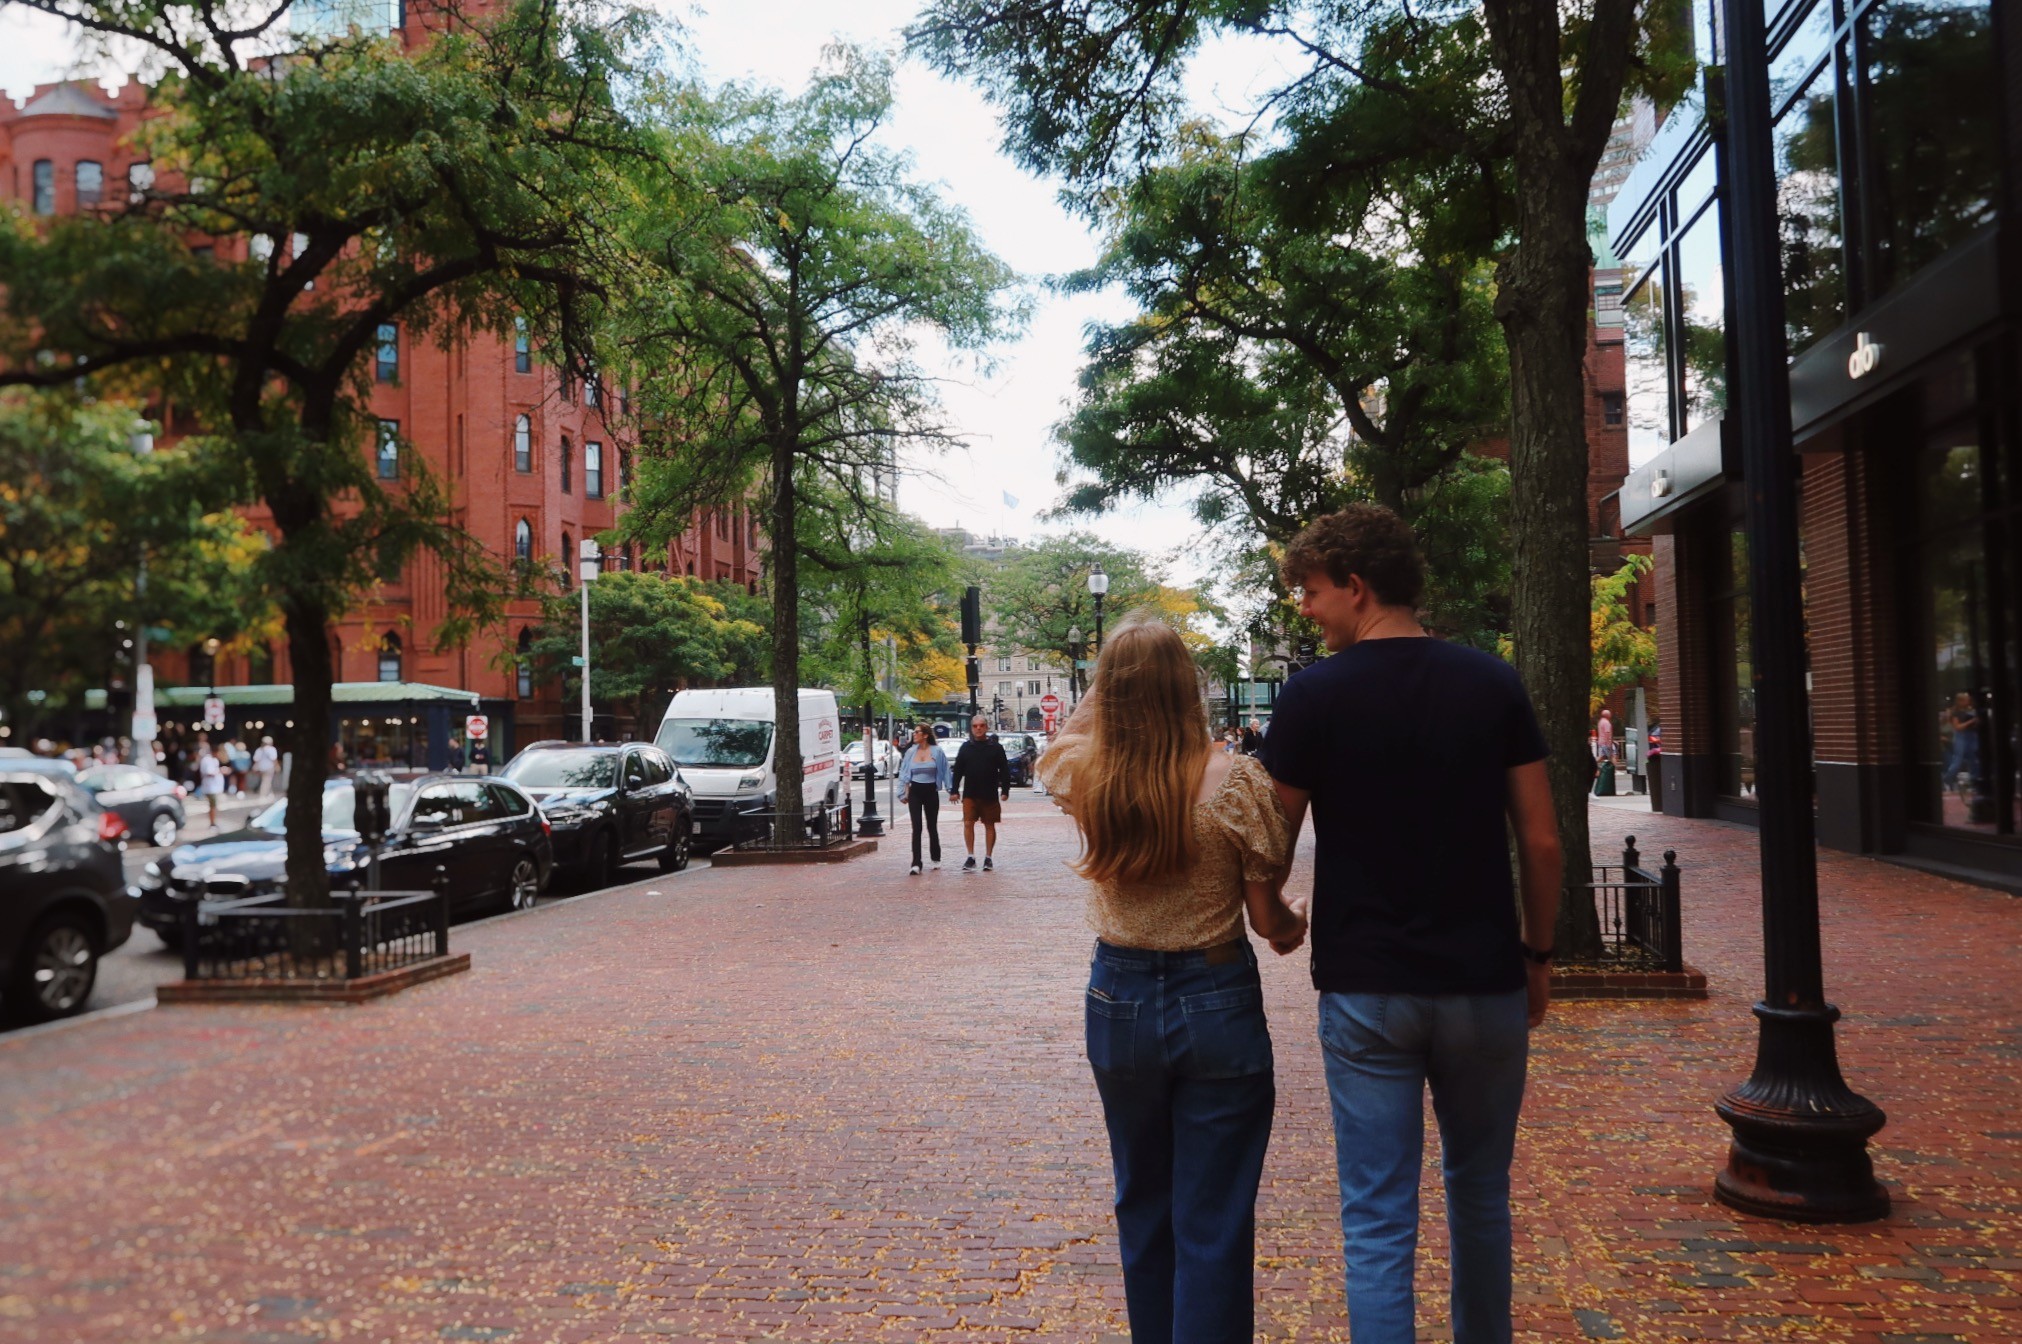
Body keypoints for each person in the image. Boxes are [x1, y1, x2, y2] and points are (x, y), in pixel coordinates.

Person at [1260, 505, 1561, 1344]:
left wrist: (1275, 917)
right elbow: (1541, 841)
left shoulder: (1313, 695)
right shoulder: (1492, 682)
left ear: (1356, 586)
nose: (1306, 609)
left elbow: (1271, 843)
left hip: (1368, 988)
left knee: (1377, 1214)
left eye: (1311, 591)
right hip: (1484, 981)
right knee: (1481, 1194)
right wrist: (1538, 955)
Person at [1038, 615, 1305, 1344]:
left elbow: (1061, 744)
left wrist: (1107, 686)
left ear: (1110, 695)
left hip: (1117, 997)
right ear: (1189, 688)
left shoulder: (1088, 777)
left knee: (1142, 1197)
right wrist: (1294, 923)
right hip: (1216, 996)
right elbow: (1267, 920)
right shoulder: (1237, 782)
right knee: (1214, 1214)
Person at [949, 713, 1012, 873]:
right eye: (975, 726)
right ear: (971, 728)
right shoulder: (966, 747)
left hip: (989, 793)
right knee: (968, 823)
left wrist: (1005, 790)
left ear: (986, 727)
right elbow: (958, 770)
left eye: (981, 726)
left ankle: (988, 857)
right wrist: (954, 790)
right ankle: (970, 856)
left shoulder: (996, 748)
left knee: (989, 824)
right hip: (970, 793)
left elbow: (1004, 770)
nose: (978, 729)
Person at [897, 725, 950, 875]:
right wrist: (902, 793)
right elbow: (904, 772)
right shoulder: (910, 752)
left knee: (931, 826)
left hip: (931, 790)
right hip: (915, 791)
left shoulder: (937, 751)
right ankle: (916, 863)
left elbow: (945, 770)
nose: (914, 734)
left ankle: (935, 857)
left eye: (917, 732)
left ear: (925, 735)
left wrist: (951, 789)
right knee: (917, 827)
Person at [196, 742, 227, 828]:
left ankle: (213, 822)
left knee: (214, 805)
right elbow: (209, 772)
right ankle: (212, 823)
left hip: (215, 787)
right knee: (212, 805)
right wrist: (220, 771)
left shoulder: (214, 760)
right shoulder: (207, 760)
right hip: (210, 787)